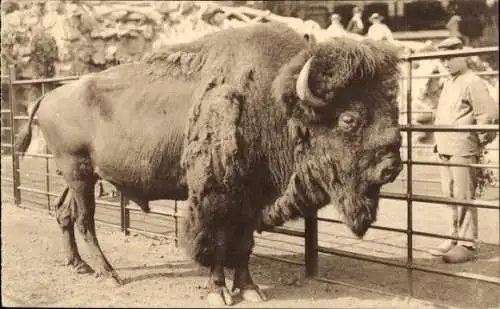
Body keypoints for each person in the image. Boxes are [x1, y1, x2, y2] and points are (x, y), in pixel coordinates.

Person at [427, 37, 499, 263]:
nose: (445, 62)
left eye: (450, 57)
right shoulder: (450, 81)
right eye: (442, 58)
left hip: (462, 146)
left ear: (463, 56)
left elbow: (488, 115)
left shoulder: (472, 81)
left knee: (464, 194)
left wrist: (478, 141)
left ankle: (467, 243)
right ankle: (453, 236)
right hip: (445, 145)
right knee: (449, 194)